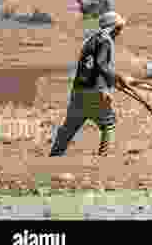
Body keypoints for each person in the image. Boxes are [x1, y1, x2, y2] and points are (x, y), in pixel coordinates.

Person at [50, 11, 128, 156]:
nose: (119, 32)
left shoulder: (91, 40)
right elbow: (101, 64)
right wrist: (116, 77)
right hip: (96, 90)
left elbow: (92, 66)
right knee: (108, 123)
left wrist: (111, 80)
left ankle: (55, 155)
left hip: (78, 90)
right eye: (118, 29)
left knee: (69, 127)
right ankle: (103, 156)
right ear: (113, 28)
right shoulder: (105, 40)